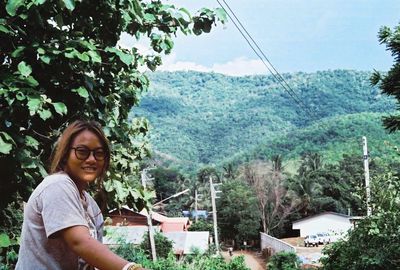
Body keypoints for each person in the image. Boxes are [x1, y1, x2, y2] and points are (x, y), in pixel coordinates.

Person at [16, 120, 144, 270]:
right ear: (65, 155)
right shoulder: (57, 185)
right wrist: (131, 268)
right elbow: (80, 242)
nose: (91, 159)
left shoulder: (91, 206)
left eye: (99, 153)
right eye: (82, 151)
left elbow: (91, 261)